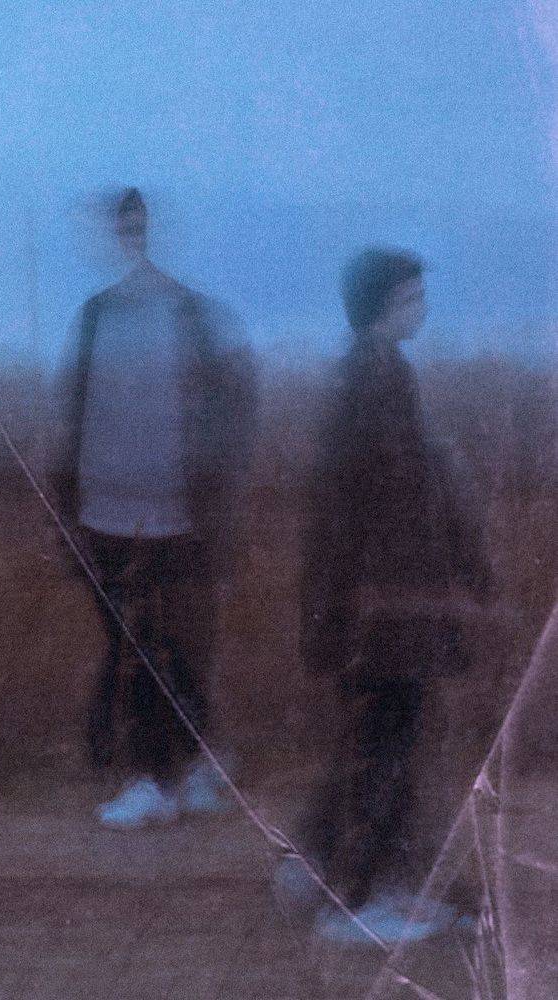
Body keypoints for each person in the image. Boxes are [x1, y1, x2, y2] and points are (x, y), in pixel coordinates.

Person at [284, 246, 491, 944]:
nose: (422, 309)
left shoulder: (374, 375)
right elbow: (374, 510)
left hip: (380, 604)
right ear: (382, 307)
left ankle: (332, 872)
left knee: (380, 738)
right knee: (385, 744)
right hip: (382, 608)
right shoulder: (374, 382)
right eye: (412, 298)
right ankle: (360, 898)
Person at [46, 188, 259, 830]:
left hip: (181, 517)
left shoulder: (196, 316)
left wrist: (214, 492)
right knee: (133, 644)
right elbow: (69, 414)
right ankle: (163, 772)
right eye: (123, 230)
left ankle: (168, 775)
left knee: (175, 645)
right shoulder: (93, 317)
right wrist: (66, 508)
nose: (132, 241)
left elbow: (236, 408)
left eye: (141, 229)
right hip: (105, 516)